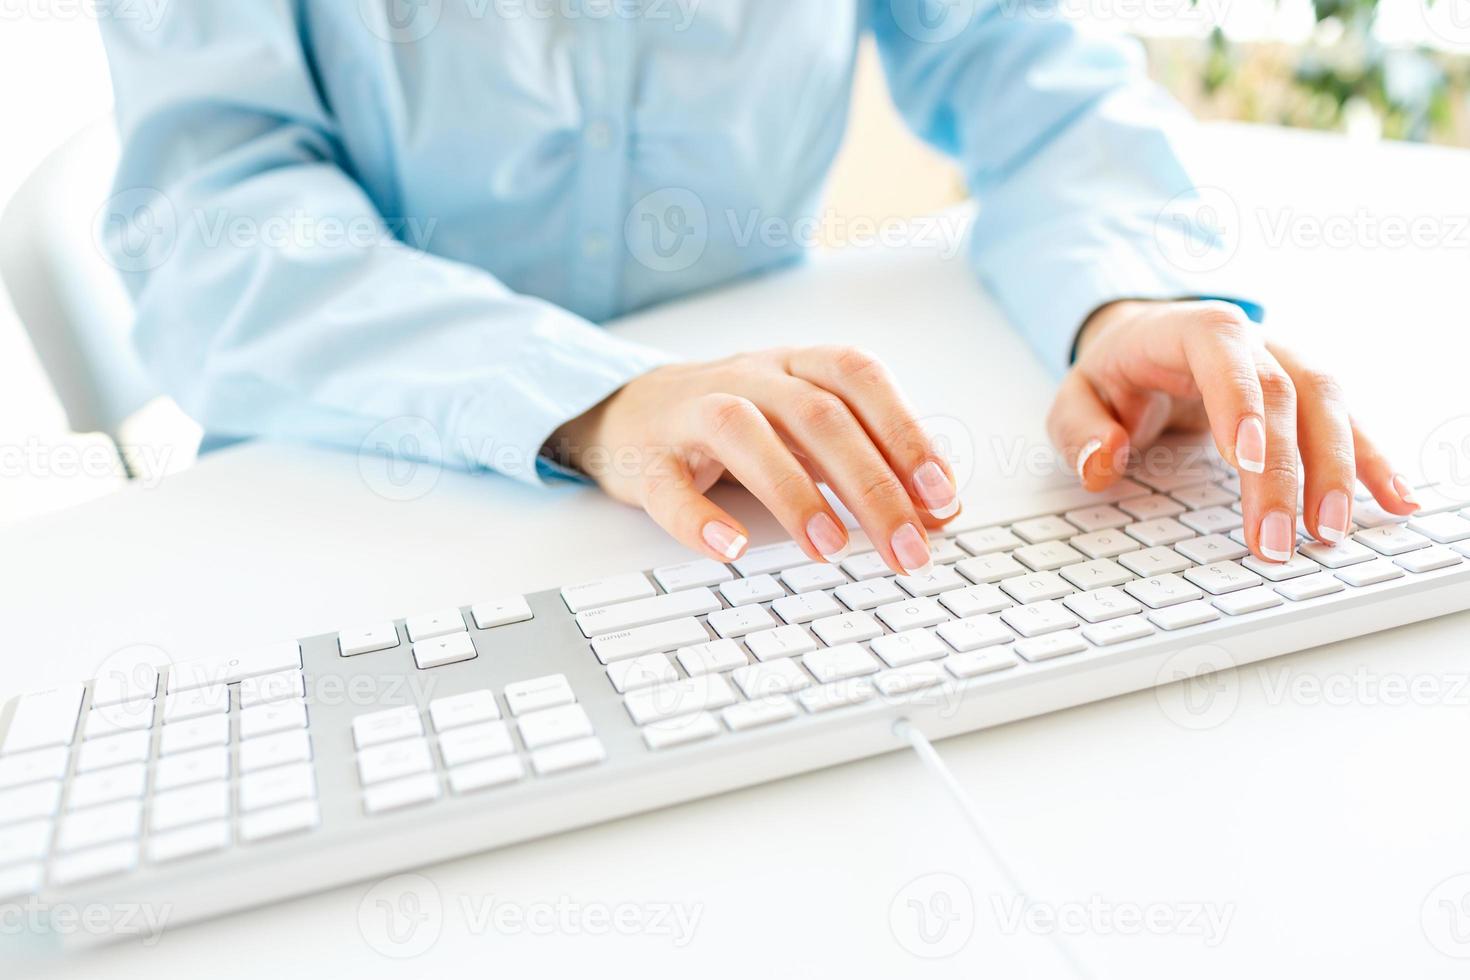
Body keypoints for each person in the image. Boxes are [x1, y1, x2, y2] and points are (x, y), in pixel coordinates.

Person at [97, 2, 1417, 577]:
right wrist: (596, 398)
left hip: (768, 509)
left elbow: (1019, 55)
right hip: (352, 507)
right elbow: (212, 220)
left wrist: (1120, 302)